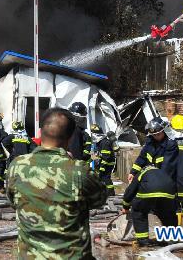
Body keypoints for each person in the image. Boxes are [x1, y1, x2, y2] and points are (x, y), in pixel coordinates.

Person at [6, 107, 108, 259]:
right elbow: (100, 199)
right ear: (71, 137)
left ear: (40, 132)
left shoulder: (17, 166)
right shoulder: (79, 171)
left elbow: (13, 201)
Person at [121, 163, 177, 248]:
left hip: (149, 192)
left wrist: (126, 207)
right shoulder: (161, 172)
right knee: (168, 214)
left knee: (139, 211)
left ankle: (143, 241)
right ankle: (172, 238)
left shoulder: (142, 172)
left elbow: (130, 191)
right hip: (169, 194)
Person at [129, 117, 176, 182]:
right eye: (154, 135)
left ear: (164, 131)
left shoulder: (170, 145)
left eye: (158, 134)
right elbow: (142, 158)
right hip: (151, 177)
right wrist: (133, 172)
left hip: (165, 179)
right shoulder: (149, 143)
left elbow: (168, 166)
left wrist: (158, 180)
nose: (156, 137)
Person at [94, 128, 118, 195]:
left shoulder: (104, 143)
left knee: (106, 177)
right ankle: (106, 193)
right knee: (103, 178)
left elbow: (106, 157)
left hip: (108, 163)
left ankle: (110, 194)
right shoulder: (102, 142)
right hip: (107, 163)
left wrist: (102, 167)